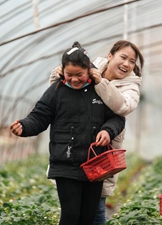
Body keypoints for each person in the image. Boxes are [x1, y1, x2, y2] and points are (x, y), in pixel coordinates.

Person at [10, 41, 125, 225]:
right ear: (62, 71)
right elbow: (39, 116)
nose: (74, 79)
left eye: (79, 74)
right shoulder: (56, 92)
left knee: (87, 218)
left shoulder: (99, 90)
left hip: (95, 164)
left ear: (89, 70)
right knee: (70, 216)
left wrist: (107, 131)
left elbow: (118, 118)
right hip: (65, 164)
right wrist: (24, 127)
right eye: (69, 74)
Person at [50, 40, 144, 225]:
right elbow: (58, 93)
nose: (127, 64)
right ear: (110, 56)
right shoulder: (87, 70)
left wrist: (101, 82)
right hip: (73, 153)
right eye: (123, 57)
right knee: (71, 212)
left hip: (99, 155)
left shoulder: (131, 88)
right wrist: (59, 72)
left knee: (96, 210)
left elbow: (121, 109)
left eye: (132, 61)